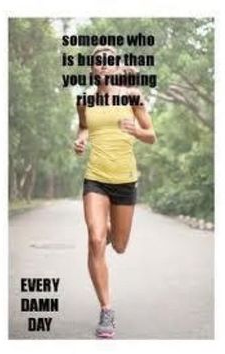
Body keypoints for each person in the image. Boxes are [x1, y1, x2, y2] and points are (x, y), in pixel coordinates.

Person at [74, 45, 157, 338]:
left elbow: (152, 136)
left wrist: (136, 131)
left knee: (119, 246)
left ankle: (108, 231)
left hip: (124, 179)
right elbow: (84, 127)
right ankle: (107, 310)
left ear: (118, 66)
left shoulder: (132, 97)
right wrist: (81, 141)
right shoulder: (84, 99)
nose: (104, 66)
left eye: (109, 62)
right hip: (95, 177)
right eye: (99, 62)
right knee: (95, 239)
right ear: (94, 69)